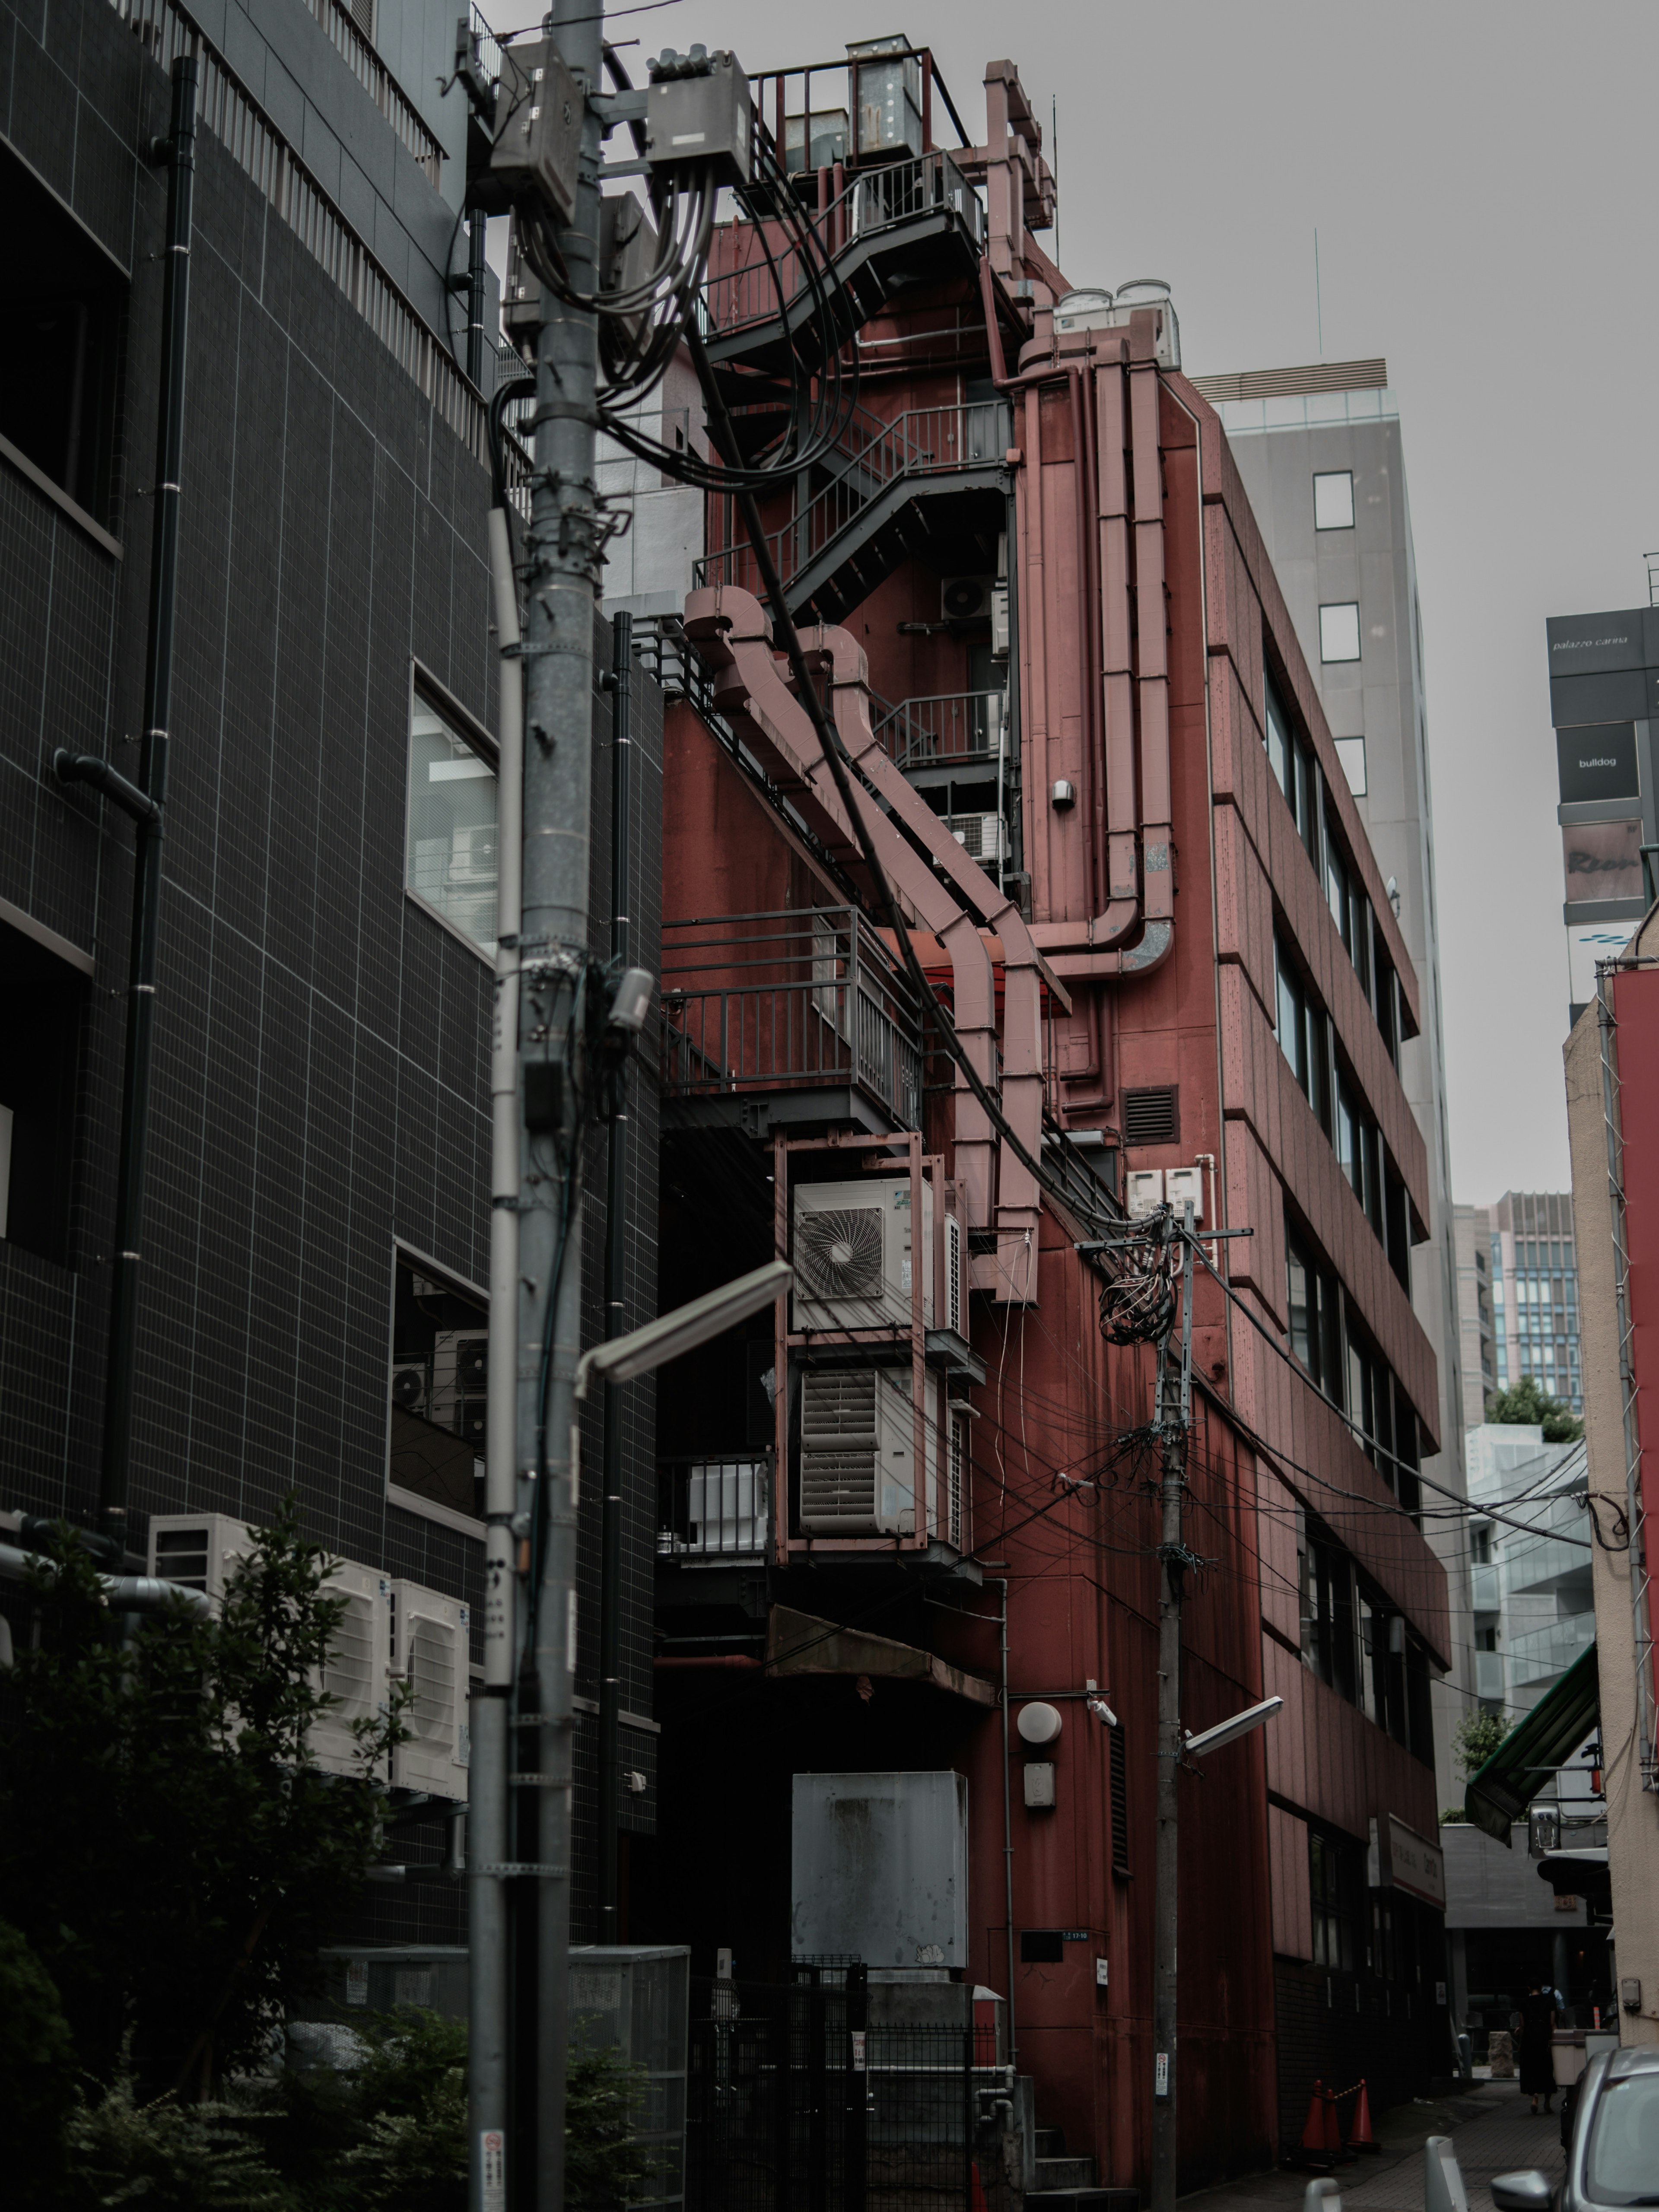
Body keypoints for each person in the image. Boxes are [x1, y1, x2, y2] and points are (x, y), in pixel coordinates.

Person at [1519, 1981, 1557, 2114]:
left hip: (1530, 2036)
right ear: (1542, 1988)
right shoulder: (1549, 2000)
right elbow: (1552, 2023)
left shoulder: (1524, 2002)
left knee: (1532, 2068)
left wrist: (1521, 2035)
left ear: (1529, 1988)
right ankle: (1547, 2103)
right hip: (1544, 2036)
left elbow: (1523, 2024)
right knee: (1547, 2068)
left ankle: (1535, 2097)